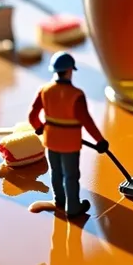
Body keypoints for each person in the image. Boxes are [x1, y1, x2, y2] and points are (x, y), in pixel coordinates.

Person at [28, 52, 108, 218]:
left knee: (56, 172)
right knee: (71, 175)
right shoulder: (76, 95)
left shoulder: (44, 90)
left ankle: (59, 201)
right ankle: (73, 208)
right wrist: (100, 141)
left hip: (51, 140)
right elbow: (87, 121)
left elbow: (32, 116)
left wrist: (40, 128)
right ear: (70, 70)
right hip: (69, 144)